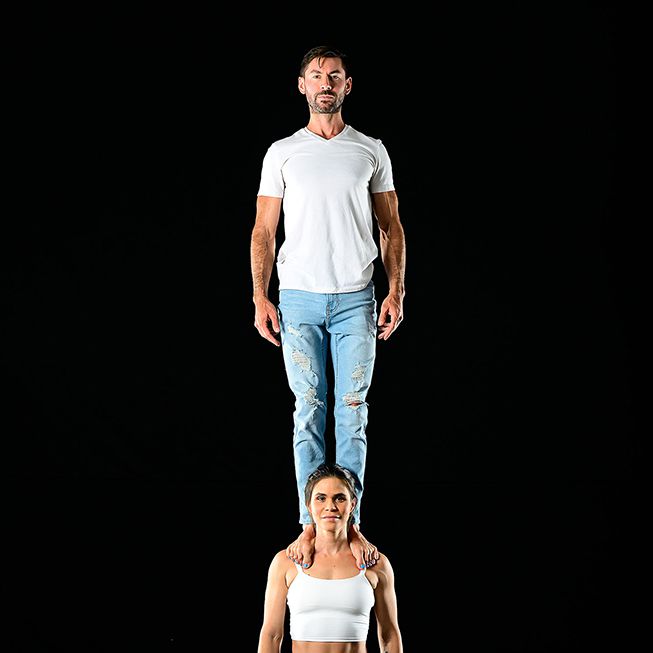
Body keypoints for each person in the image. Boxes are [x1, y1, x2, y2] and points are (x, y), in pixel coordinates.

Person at [250, 45, 406, 570]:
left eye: (334, 76)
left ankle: (351, 522)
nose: (325, 84)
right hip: (298, 297)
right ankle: (309, 522)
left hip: (356, 297)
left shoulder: (370, 150)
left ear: (347, 85)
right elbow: (264, 230)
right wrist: (260, 295)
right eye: (316, 75)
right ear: (302, 86)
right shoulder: (282, 153)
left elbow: (391, 226)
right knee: (308, 411)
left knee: (352, 411)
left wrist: (396, 290)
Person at [257, 464, 403, 653]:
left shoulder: (375, 563)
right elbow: (272, 635)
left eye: (340, 498)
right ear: (308, 506)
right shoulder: (286, 562)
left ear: (352, 505)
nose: (330, 507)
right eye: (321, 498)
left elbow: (389, 635)